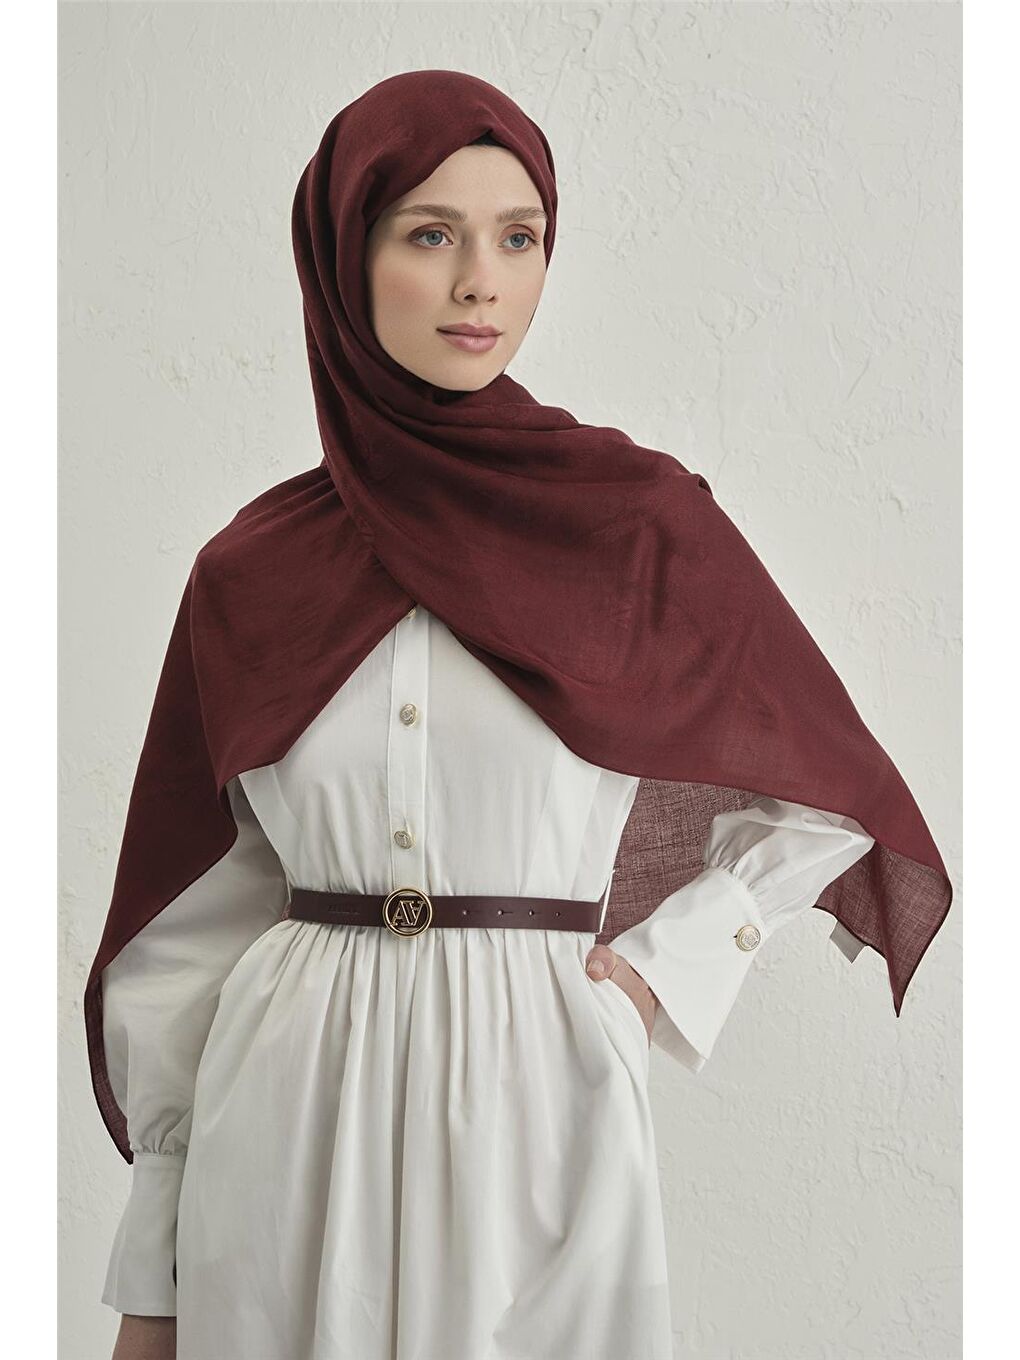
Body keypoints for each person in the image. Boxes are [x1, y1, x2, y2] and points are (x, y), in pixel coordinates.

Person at [92, 72, 949, 1360]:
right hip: (282, 1100)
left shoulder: (637, 528)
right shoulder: (251, 571)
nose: (479, 281)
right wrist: (153, 1273)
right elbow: (192, 920)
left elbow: (830, 788)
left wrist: (660, 974)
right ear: (342, 254)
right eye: (430, 232)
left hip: (541, 1086)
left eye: (519, 236)